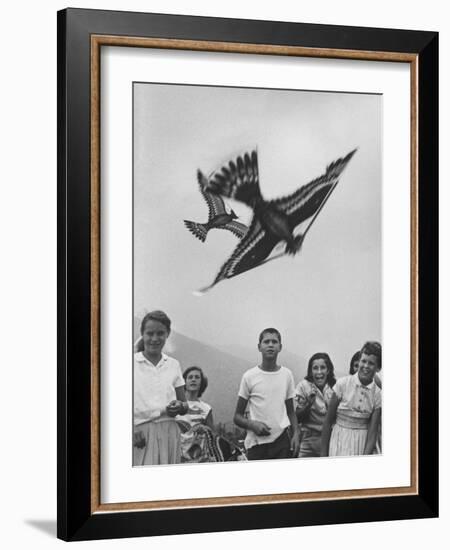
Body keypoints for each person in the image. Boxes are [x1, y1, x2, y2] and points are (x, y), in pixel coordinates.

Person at [233, 328, 299, 460]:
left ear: (280, 347)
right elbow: (237, 416)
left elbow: (291, 411)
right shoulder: (249, 376)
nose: (270, 345)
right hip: (257, 444)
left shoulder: (287, 375)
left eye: (274, 342)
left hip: (281, 443)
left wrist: (296, 434)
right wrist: (252, 425)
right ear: (259, 347)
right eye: (266, 341)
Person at [133, 310, 188, 466]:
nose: (155, 339)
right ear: (142, 334)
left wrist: (178, 406)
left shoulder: (173, 365)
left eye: (160, 333)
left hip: (170, 432)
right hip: (140, 434)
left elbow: (184, 405)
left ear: (167, 334)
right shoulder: (130, 363)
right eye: (149, 333)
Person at [320, 341, 382, 457]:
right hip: (338, 439)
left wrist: (365, 458)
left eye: (371, 363)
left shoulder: (378, 394)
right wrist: (323, 454)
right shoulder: (342, 384)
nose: (366, 366)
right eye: (363, 361)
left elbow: (372, 433)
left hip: (361, 443)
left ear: (378, 368)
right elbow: (328, 421)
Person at [295, 352, 336, 457]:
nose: (319, 372)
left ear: (328, 370)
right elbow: (297, 416)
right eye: (315, 368)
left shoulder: (335, 387)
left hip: (331, 439)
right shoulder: (303, 386)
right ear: (310, 371)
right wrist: (309, 404)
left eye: (323, 368)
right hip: (309, 439)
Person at [176, 366, 216, 463]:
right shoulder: (176, 404)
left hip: (199, 459)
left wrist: (204, 429)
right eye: (190, 377)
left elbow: (213, 435)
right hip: (176, 456)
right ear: (184, 382)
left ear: (202, 382)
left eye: (197, 377)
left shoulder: (206, 408)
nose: (193, 379)